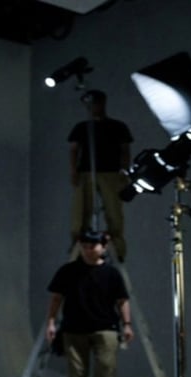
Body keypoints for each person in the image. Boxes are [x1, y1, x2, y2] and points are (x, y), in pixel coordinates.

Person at [46, 230, 134, 377]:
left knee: (106, 370)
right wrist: (51, 322)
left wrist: (127, 324)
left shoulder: (111, 273)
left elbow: (122, 300)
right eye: (84, 247)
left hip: (105, 326)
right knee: (76, 376)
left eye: (92, 246)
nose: (88, 251)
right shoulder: (68, 271)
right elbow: (56, 297)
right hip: (74, 327)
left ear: (103, 247)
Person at [68, 89, 133, 262]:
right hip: (86, 172)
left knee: (114, 211)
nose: (93, 107)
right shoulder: (82, 128)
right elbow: (74, 150)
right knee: (81, 210)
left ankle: (117, 248)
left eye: (96, 103)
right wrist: (73, 171)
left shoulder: (117, 127)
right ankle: (79, 246)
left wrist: (124, 171)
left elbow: (125, 150)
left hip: (111, 172)